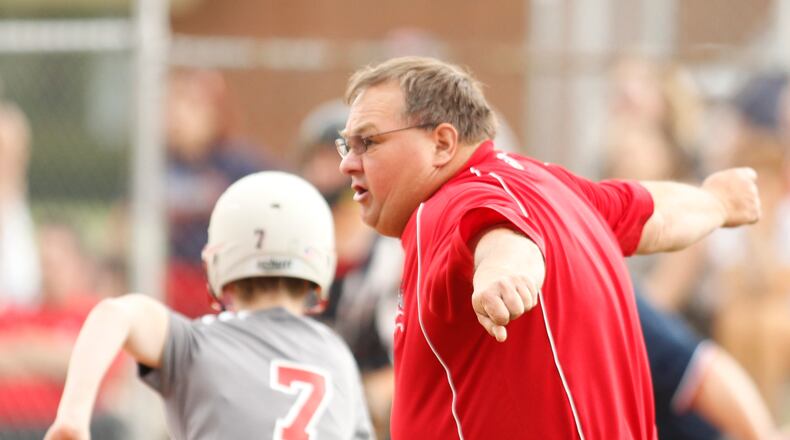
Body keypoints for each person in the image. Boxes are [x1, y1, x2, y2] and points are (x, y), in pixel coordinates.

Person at [335, 56, 761, 439]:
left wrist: (504, 275)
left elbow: (500, 233)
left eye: (368, 142)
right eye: (347, 144)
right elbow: (658, 217)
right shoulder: (553, 185)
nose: (347, 163)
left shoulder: (451, 200)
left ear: (443, 143)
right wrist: (719, 203)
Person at [45, 172, 375, 440]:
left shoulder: (198, 344)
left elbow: (115, 314)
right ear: (322, 263)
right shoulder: (336, 353)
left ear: (217, 262)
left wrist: (73, 415)